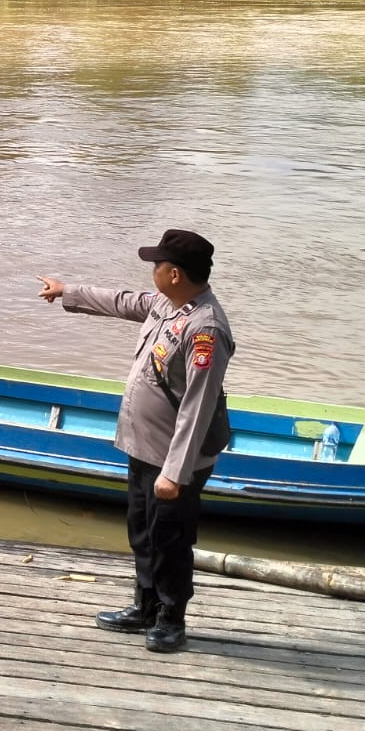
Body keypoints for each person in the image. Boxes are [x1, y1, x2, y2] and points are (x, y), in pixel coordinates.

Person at [37, 229, 234, 653]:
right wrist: (68, 291)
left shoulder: (206, 329)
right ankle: (145, 606)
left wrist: (174, 473)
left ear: (175, 274)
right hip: (144, 446)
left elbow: (198, 408)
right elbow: (125, 301)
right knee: (142, 532)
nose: (152, 272)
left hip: (173, 460)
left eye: (157, 265)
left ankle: (171, 619)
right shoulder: (167, 303)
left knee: (170, 540)